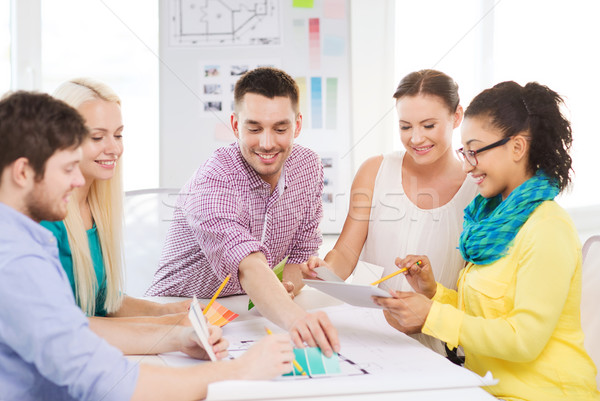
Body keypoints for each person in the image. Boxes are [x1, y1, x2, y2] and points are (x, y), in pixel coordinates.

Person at [0, 91, 295, 401]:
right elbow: (113, 382)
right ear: (22, 173)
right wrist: (240, 370)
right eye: (67, 169)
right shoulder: (18, 263)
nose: (77, 182)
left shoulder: (30, 242)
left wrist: (177, 336)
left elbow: (77, 330)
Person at [374, 81, 600, 400]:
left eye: (475, 151)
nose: (467, 165)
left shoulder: (548, 227)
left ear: (517, 147)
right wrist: (433, 293)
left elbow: (523, 339)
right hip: (487, 389)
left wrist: (431, 316)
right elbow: (486, 318)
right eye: (463, 152)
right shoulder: (491, 222)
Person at [146, 66, 340, 356]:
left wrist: (283, 291)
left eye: (280, 128)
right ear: (235, 124)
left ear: (297, 126)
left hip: (246, 309)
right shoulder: (214, 177)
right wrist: (293, 316)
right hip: (176, 310)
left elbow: (300, 255)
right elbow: (247, 262)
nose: (266, 143)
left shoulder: (308, 166)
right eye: (254, 128)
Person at [302, 69, 478, 353]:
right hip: (373, 335)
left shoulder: (479, 187)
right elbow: (346, 252)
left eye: (429, 125)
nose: (416, 138)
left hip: (443, 345)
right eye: (405, 126)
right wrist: (326, 271)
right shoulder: (375, 170)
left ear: (457, 117)